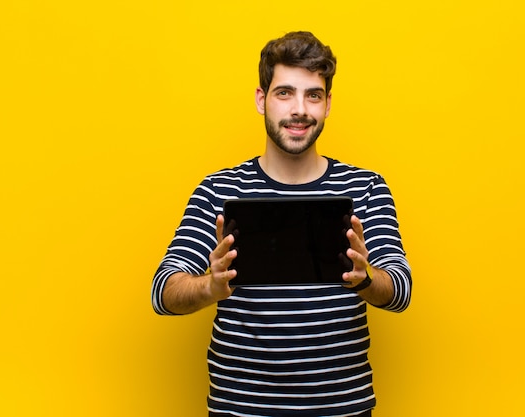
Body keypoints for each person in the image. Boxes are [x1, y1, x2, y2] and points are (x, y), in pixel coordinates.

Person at [151, 31, 412, 417]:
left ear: (327, 105)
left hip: (341, 408)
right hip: (241, 409)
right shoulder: (218, 190)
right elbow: (163, 292)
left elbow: (401, 290)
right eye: (285, 92)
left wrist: (366, 278)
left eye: (313, 95)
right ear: (262, 100)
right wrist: (211, 285)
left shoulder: (366, 188)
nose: (299, 109)